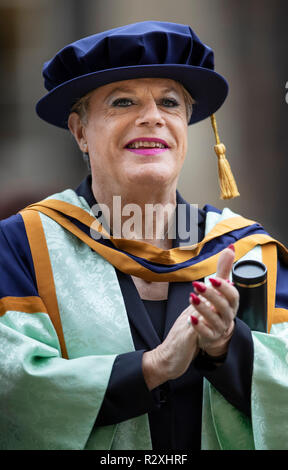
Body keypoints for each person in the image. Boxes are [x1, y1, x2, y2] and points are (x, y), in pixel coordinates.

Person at [0, 21, 287, 451]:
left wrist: (228, 346)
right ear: (80, 131)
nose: (151, 117)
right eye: (123, 102)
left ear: (186, 124)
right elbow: (13, 387)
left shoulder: (248, 253)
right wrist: (152, 367)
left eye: (169, 102)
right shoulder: (23, 245)